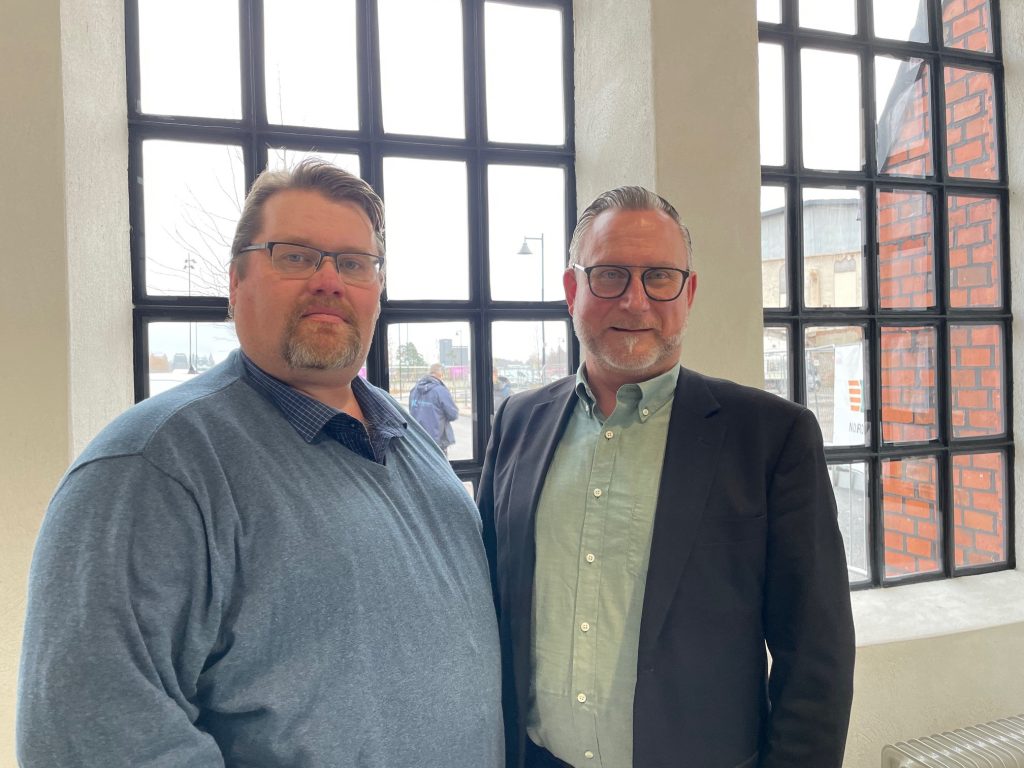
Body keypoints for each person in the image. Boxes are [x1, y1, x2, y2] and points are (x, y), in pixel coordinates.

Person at [17, 159, 503, 766]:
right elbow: (91, 739)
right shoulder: (150, 470)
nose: (330, 281)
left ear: (376, 291)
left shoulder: (410, 440)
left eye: (355, 263)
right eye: (296, 256)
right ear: (235, 283)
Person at [477, 186, 855, 768]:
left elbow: (816, 656)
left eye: (659, 277)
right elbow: (485, 608)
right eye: (609, 276)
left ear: (689, 293)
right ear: (572, 290)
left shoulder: (771, 438)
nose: (635, 301)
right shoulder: (517, 424)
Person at [409, 362, 459, 455]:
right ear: (441, 374)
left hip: (417, 440)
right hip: (436, 443)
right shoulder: (440, 390)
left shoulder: (414, 390)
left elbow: (412, 411)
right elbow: (453, 414)